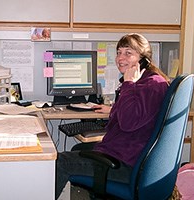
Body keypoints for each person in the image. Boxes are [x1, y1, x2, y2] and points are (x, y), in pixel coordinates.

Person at [55, 33, 170, 199]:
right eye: (118, 52)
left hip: (127, 164)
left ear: (143, 59)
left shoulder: (151, 84)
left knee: (59, 162)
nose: (120, 58)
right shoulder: (146, 81)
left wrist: (128, 84)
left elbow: (128, 122)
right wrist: (113, 109)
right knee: (78, 149)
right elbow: (141, 114)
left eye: (128, 53)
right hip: (125, 153)